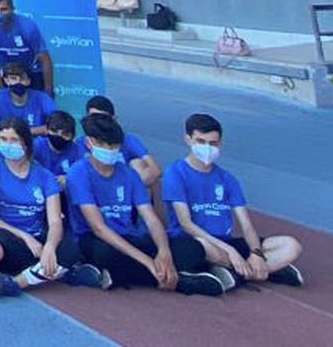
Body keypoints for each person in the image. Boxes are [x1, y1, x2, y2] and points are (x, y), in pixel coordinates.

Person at [66, 113, 222, 295]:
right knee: (106, 255)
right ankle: (182, 281)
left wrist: (164, 253)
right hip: (95, 239)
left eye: (113, 145)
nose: (108, 150)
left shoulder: (129, 175)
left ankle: (114, 276)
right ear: (89, 143)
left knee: (191, 247)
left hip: (129, 237)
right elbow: (98, 227)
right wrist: (147, 261)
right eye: (102, 144)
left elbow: (150, 218)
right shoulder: (78, 173)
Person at [165, 112, 304, 288]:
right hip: (195, 241)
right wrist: (229, 250)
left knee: (291, 245)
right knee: (201, 247)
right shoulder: (175, 173)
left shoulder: (227, 179)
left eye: (213, 143)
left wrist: (256, 253)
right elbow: (186, 224)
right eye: (201, 142)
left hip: (225, 241)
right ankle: (260, 270)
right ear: (188, 140)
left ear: (220, 144)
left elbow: (246, 225)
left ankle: (245, 271)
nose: (207, 148)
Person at [0, 118, 105, 296]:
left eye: (14, 140)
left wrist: (50, 247)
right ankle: (58, 273)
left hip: (37, 238)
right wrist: (25, 237)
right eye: (4, 140)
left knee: (69, 249)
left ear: (26, 143)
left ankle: (15, 283)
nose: (8, 144)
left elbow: (55, 222)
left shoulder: (44, 176)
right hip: (7, 237)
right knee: (1, 244)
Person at [84, 94, 163, 199]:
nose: (99, 122)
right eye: (94, 117)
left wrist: (129, 188)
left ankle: (156, 214)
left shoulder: (128, 139)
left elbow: (155, 169)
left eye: (104, 118)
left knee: (139, 165)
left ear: (114, 119)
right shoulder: (80, 142)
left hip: (123, 190)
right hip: (91, 190)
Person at [0, 0, 53, 92]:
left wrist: (48, 90)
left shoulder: (27, 27)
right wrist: (1, 89)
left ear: (12, 9)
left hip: (31, 70)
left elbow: (44, 59)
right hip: (7, 72)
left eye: (4, 9)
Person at [0, 61, 56, 129]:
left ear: (29, 81)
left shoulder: (42, 98)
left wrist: (25, 133)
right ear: (6, 80)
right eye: (14, 79)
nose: (18, 82)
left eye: (22, 79)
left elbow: (55, 124)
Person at [33, 109, 85, 184]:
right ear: (47, 130)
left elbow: (84, 176)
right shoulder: (36, 146)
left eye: (65, 134)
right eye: (54, 131)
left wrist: (70, 179)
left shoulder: (77, 150)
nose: (59, 136)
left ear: (72, 136)